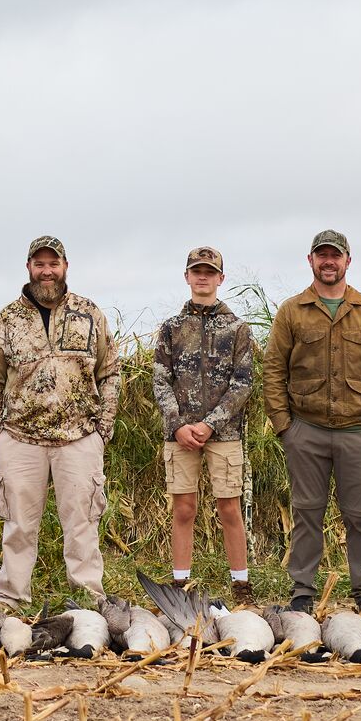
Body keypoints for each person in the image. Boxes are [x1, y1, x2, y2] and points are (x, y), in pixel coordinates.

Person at [0, 235, 122, 609]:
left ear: (65, 267)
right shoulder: (8, 319)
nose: (46, 271)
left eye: (53, 264)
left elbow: (110, 373)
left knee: (82, 524)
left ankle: (88, 598)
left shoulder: (90, 314)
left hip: (79, 438)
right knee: (19, 526)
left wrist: (102, 429)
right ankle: (10, 597)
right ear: (28, 268)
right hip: (20, 439)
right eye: (39, 264)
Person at [261, 230, 361, 613]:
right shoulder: (292, 311)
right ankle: (302, 594)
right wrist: (284, 426)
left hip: (359, 432)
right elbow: (273, 369)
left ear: (347, 262)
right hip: (305, 430)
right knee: (307, 514)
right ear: (310, 261)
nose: (328, 262)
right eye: (321, 255)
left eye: (335, 256)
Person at [152, 246, 256, 605]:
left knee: (229, 507)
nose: (203, 277)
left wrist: (210, 425)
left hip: (224, 435)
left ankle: (241, 588)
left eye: (210, 272)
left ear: (220, 279)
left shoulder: (237, 328)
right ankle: (180, 588)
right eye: (197, 271)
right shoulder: (171, 329)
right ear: (186, 277)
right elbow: (160, 381)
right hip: (179, 436)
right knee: (184, 508)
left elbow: (243, 383)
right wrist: (179, 425)